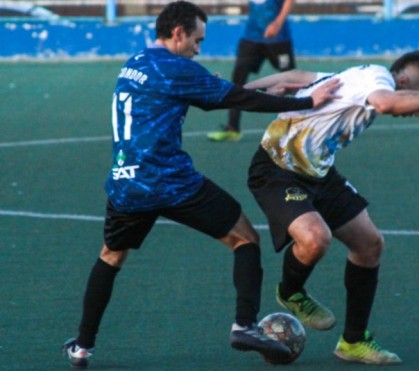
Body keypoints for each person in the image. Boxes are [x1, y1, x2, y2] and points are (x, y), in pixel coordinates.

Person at [61, 1, 340, 368]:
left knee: (111, 257)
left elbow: (216, 92)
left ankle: (82, 346)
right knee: (245, 239)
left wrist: (268, 89)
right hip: (172, 181)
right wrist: (307, 100)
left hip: (126, 182)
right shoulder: (179, 68)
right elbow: (233, 97)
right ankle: (244, 325)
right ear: (178, 33)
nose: (199, 48)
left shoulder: (136, 63)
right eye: (197, 40)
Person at [245, 50, 419, 365]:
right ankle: (291, 292)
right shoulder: (378, 80)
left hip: (318, 173)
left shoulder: (360, 76)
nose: (418, 110)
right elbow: (386, 102)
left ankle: (353, 341)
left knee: (369, 245)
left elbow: (294, 77)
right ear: (405, 81)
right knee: (315, 239)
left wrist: (241, 90)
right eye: (418, 99)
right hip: (275, 169)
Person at [207, 0, 296, 142]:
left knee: (291, 82)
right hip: (251, 37)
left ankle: (293, 127)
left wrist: (278, 23)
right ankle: (233, 128)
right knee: (238, 79)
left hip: (278, 38)